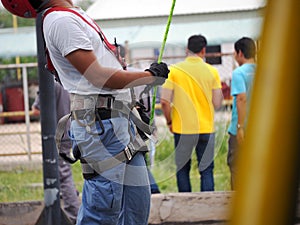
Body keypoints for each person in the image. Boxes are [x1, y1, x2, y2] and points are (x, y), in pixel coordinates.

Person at [1, 0, 169, 224]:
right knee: (102, 212)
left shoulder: (70, 15)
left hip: (117, 122)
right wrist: (148, 76)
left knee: (136, 206)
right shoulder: (61, 21)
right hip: (102, 127)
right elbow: (98, 76)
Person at [160, 34, 223, 192]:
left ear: (187, 49)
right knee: (207, 170)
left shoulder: (174, 71)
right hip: (206, 128)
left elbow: (164, 101)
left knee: (182, 170)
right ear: (204, 50)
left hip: (182, 129)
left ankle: (184, 208)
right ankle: (207, 207)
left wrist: (169, 121)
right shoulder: (212, 71)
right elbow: (217, 102)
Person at [32, 81, 80, 224]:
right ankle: (71, 200)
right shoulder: (65, 80)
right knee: (62, 172)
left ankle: (74, 215)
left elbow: (36, 109)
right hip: (67, 131)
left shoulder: (49, 84)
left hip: (55, 135)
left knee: (63, 176)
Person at [227, 37, 256, 190]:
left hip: (242, 129)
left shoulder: (239, 73)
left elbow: (241, 98)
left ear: (240, 53)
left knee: (237, 167)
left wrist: (240, 127)